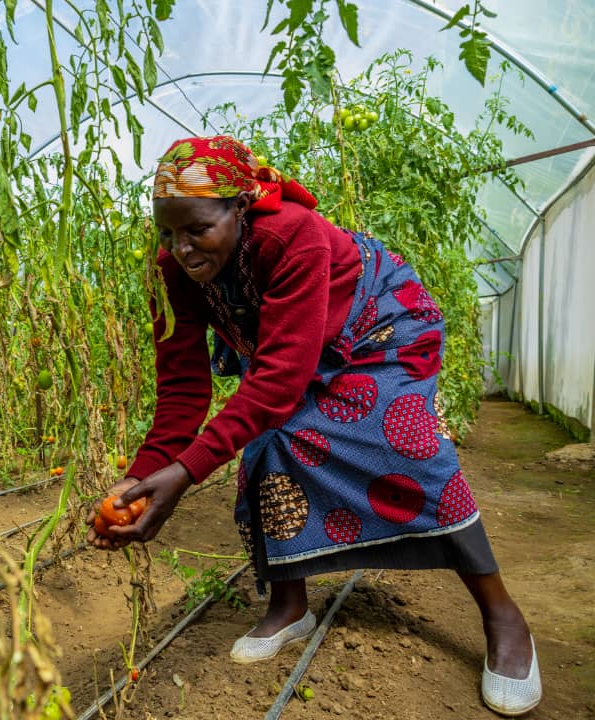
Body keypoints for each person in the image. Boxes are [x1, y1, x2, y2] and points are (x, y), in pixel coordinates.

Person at [86, 136, 541, 717]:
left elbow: (276, 384)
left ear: (241, 206)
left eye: (196, 229)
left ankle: (502, 614)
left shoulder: (290, 234)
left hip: (378, 325)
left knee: (409, 442)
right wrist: (141, 480)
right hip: (292, 344)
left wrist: (186, 476)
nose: (181, 248)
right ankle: (289, 603)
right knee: (269, 444)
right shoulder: (171, 271)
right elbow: (182, 389)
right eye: (167, 233)